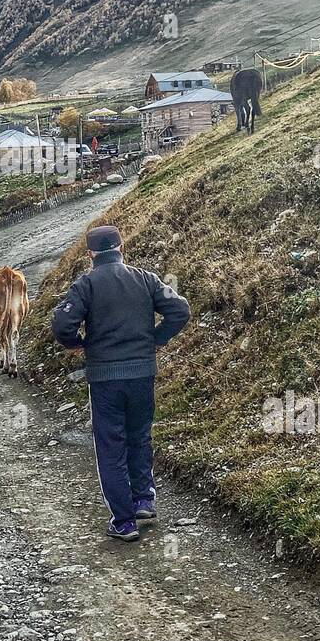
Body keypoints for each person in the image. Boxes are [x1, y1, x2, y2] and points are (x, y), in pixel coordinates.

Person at [51, 224, 190, 541]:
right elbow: (180, 309)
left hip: (105, 379)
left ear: (90, 255)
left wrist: (77, 344)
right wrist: (158, 338)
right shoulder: (146, 278)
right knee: (139, 436)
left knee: (110, 447)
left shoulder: (85, 284)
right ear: (121, 247)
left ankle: (124, 522)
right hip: (143, 373)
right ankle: (144, 500)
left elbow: (62, 323)